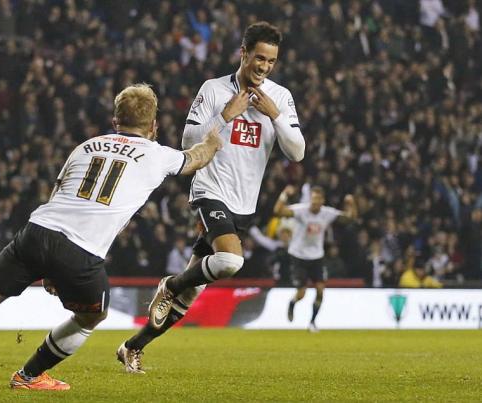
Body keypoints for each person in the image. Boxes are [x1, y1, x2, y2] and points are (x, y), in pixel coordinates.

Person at [0, 84, 222, 392]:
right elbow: (196, 158)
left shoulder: (86, 146)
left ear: (115, 120)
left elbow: (59, 192)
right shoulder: (157, 153)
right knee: (93, 316)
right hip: (80, 250)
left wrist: (47, 265)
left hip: (37, 230)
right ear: (153, 127)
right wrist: (215, 134)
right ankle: (29, 376)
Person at [117, 21, 305, 373]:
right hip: (209, 190)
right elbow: (189, 141)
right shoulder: (214, 90)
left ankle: (133, 347)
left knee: (192, 293)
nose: (264, 67)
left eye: (271, 61)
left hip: (244, 203)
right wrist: (225, 115)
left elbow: (297, 152)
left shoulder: (279, 97)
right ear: (244, 53)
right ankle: (169, 284)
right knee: (231, 262)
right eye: (259, 58)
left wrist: (275, 115)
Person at [274, 185, 357, 332]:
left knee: (320, 291)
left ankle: (312, 323)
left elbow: (350, 218)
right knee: (302, 293)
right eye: (313, 199)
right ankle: (293, 303)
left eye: (318, 199)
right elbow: (278, 211)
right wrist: (284, 194)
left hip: (317, 257)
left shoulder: (327, 213)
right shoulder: (300, 211)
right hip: (298, 256)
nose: (315, 202)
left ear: (322, 200)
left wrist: (351, 204)